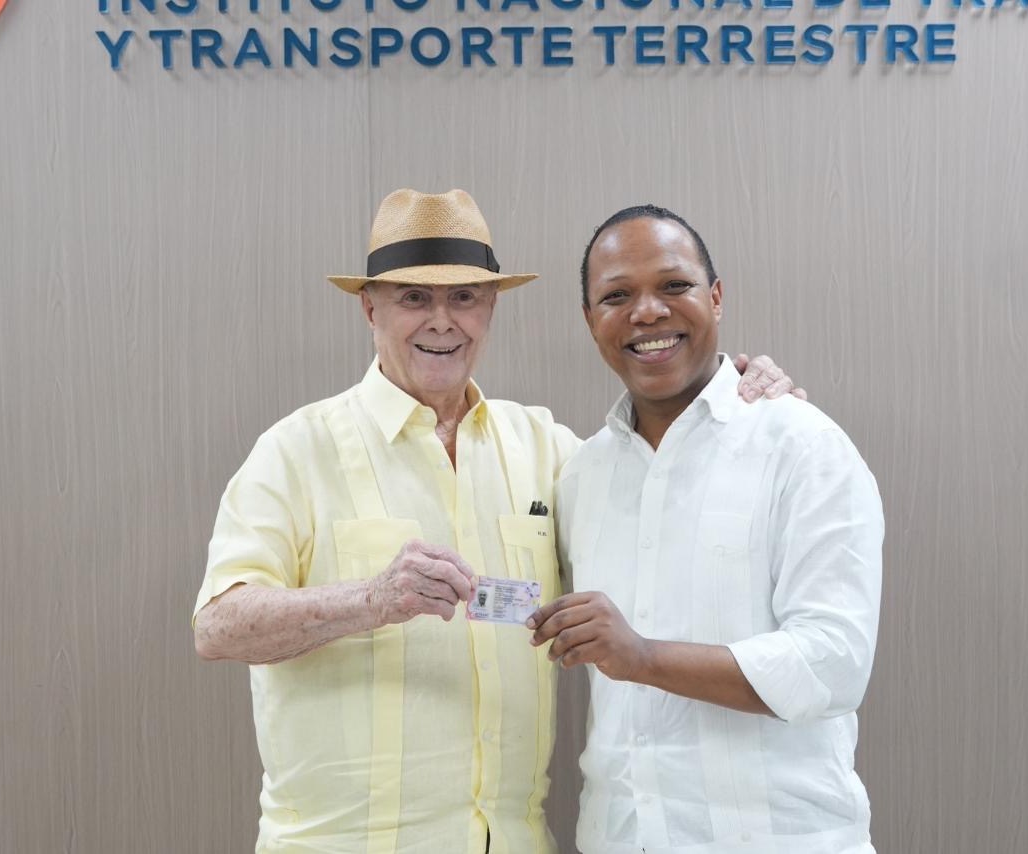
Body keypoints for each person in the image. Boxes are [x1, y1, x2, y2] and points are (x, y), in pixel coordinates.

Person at [192, 189, 798, 854]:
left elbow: (672, 510)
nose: (442, 321)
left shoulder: (548, 450)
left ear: (490, 308)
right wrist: (371, 599)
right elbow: (217, 626)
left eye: (464, 297)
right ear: (370, 308)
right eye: (414, 298)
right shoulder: (296, 450)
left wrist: (736, 397)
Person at [528, 205, 884, 854]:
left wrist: (643, 657)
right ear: (590, 319)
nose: (647, 312)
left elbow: (833, 664)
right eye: (616, 296)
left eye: (674, 285)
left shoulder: (801, 445)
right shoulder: (581, 475)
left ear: (715, 298)